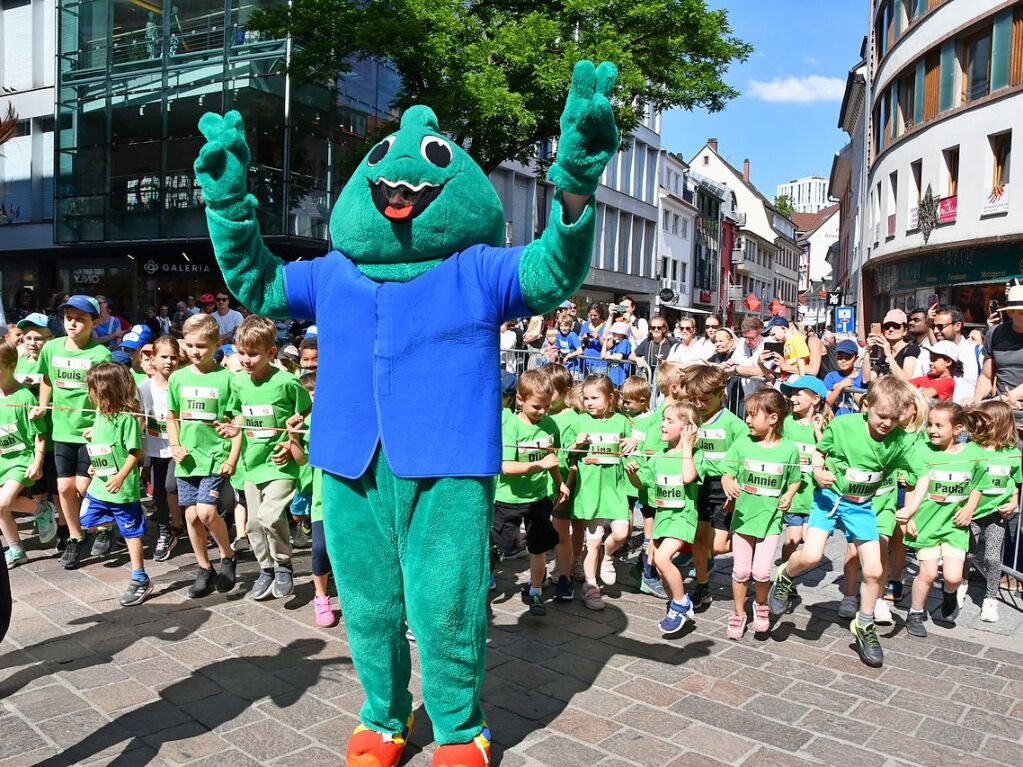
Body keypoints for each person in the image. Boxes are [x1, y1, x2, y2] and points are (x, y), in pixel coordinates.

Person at [767, 376, 919, 667]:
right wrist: (817, 471)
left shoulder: (900, 439)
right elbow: (819, 452)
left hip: (860, 507)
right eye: (881, 416)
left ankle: (864, 625)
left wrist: (911, 508)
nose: (887, 423)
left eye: (893, 419)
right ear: (867, 406)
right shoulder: (843, 425)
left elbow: (922, 474)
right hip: (828, 500)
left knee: (875, 570)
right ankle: (786, 576)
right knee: (811, 556)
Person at [230, 315, 312, 601]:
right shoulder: (238, 382)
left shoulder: (288, 383)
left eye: (253, 354)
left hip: (280, 464)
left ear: (271, 352)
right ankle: (266, 569)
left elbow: (306, 413)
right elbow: (237, 413)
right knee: (252, 524)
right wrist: (231, 426)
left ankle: (283, 564)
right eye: (241, 353)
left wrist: (292, 442)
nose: (246, 359)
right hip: (251, 465)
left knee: (270, 515)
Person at [30, 295, 111, 569]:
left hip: (90, 431)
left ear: (95, 322)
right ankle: (76, 537)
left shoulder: (100, 355)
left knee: (84, 485)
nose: (73, 324)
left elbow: (105, 395)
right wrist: (42, 406)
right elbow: (46, 379)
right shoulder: (51, 348)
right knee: (63, 487)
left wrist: (98, 425)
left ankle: (105, 525)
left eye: (81, 319)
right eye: (69, 318)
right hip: (61, 431)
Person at [167, 312, 240, 599]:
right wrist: (174, 445)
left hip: (215, 456)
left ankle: (227, 555)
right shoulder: (178, 378)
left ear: (215, 344)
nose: (195, 351)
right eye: (190, 345)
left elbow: (238, 421)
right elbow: (171, 416)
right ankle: (203, 567)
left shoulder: (227, 379)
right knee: (191, 517)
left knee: (207, 511)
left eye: (202, 346)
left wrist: (232, 458)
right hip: (187, 460)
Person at [721, 388, 801, 640]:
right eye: (747, 415)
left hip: (771, 521)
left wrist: (788, 495)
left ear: (773, 418)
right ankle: (737, 612)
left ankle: (761, 605)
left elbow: (795, 480)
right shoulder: (743, 442)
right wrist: (727, 481)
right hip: (744, 518)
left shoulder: (789, 449)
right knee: (741, 571)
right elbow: (726, 471)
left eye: (753, 415)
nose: (747, 420)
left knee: (762, 573)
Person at [898, 401, 982, 637]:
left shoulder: (973, 454)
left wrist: (970, 509)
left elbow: (977, 485)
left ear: (957, 429)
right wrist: (909, 515)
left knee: (954, 577)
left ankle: (949, 594)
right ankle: (915, 613)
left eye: (939, 426)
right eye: (930, 425)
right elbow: (912, 485)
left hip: (955, 525)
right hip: (926, 523)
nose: (932, 430)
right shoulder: (921, 452)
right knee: (927, 573)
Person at [492, 370, 566, 616]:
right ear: (520, 400)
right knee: (498, 545)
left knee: (539, 547)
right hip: (507, 499)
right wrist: (537, 466)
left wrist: (559, 482)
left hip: (538, 498)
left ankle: (535, 591)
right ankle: (483, 580)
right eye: (537, 406)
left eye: (547, 406)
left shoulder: (549, 425)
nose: (543, 412)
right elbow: (505, 466)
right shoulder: (510, 426)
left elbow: (552, 458)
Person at [626, 401, 701, 634]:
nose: (663, 425)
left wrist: (687, 447)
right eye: (663, 420)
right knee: (660, 568)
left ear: (688, 428)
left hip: (683, 519)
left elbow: (688, 477)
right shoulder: (658, 455)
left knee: (662, 559)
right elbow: (643, 483)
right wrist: (633, 475)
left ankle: (680, 602)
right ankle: (676, 602)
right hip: (663, 520)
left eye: (670, 421)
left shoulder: (695, 455)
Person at [562, 374, 635, 610]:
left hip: (614, 489)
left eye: (595, 397)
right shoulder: (579, 421)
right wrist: (576, 445)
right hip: (591, 489)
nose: (589, 402)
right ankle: (590, 587)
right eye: (586, 398)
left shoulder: (622, 422)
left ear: (610, 398)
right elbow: (567, 454)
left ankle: (609, 555)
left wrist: (633, 443)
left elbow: (634, 445)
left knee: (622, 532)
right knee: (591, 543)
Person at [81, 363, 151, 606]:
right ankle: (124, 521)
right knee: (85, 520)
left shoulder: (127, 419)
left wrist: (121, 476)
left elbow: (135, 453)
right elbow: (104, 446)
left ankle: (139, 577)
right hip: (99, 484)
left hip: (120, 489)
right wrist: (95, 463)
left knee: (131, 533)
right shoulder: (100, 413)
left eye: (92, 389)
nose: (89, 393)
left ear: (105, 390)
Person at [688, 363, 749, 609]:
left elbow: (745, 457)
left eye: (704, 399)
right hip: (699, 484)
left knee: (718, 545)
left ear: (720, 394)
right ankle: (702, 587)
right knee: (699, 541)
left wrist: (733, 481)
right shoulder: (692, 420)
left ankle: (751, 542)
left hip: (724, 487)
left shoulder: (735, 425)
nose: (699, 404)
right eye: (694, 399)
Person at [962, 400, 1021, 623]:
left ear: (999, 423)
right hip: (972, 511)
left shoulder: (1013, 453)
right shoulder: (971, 449)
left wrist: (1013, 500)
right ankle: (961, 584)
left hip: (998, 513)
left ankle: (990, 599)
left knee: (992, 557)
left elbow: (1016, 481)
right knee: (967, 552)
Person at [0, 340, 57, 568]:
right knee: (1, 508)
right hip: (1, 457)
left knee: (3, 503)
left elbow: (39, 433)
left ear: (11, 366)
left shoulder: (24, 397)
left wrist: (38, 460)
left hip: (20, 459)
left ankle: (41, 508)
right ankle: (16, 549)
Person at [779, 376, 829, 570]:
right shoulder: (786, 423)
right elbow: (776, 448)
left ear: (815, 399)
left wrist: (818, 432)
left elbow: (830, 453)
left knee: (809, 542)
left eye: (798, 393)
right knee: (792, 538)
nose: (792, 398)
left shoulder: (825, 426)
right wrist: (790, 458)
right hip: (794, 494)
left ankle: (791, 570)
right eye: (791, 394)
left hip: (815, 496)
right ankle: (785, 575)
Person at [140, 336, 183, 562]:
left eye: (173, 357)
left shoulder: (181, 383)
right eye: (164, 357)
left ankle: (180, 523)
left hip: (178, 447)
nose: (169, 362)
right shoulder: (143, 387)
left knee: (171, 486)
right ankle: (165, 531)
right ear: (153, 359)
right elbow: (138, 417)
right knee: (158, 491)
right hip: (154, 448)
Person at [922, 305, 980, 404]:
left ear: (957, 326)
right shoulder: (928, 353)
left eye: (940, 327)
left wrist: (976, 399)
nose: (936, 331)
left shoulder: (976, 352)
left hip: (966, 414)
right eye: (933, 326)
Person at [862, 309, 919, 383]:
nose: (890, 329)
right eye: (887, 326)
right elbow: (866, 380)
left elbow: (905, 381)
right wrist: (867, 351)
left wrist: (888, 354)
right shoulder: (885, 354)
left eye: (896, 326)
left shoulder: (911, 349)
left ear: (905, 331)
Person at [730, 317, 769, 402]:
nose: (747, 342)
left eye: (751, 338)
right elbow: (731, 363)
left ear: (761, 335)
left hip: (764, 399)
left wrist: (736, 369)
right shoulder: (742, 343)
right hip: (748, 397)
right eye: (745, 337)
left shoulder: (768, 345)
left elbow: (760, 372)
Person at [823, 339, 863, 415]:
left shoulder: (862, 379)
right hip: (836, 422)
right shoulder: (831, 377)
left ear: (856, 358)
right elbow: (826, 405)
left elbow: (865, 408)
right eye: (840, 357)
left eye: (848, 357)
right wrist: (839, 387)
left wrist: (851, 390)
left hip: (856, 422)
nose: (843, 360)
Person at [578, 303, 608, 376]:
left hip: (599, 363)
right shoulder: (585, 325)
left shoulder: (605, 326)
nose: (593, 317)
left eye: (595, 315)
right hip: (585, 361)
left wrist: (598, 337)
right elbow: (578, 342)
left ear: (600, 314)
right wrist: (583, 338)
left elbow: (607, 346)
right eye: (591, 315)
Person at [601, 321, 633, 386]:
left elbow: (618, 357)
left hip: (620, 379)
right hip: (612, 378)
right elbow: (603, 356)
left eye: (615, 332)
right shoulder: (616, 344)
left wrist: (609, 356)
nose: (613, 334)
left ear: (622, 333)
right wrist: (605, 342)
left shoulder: (625, 342)